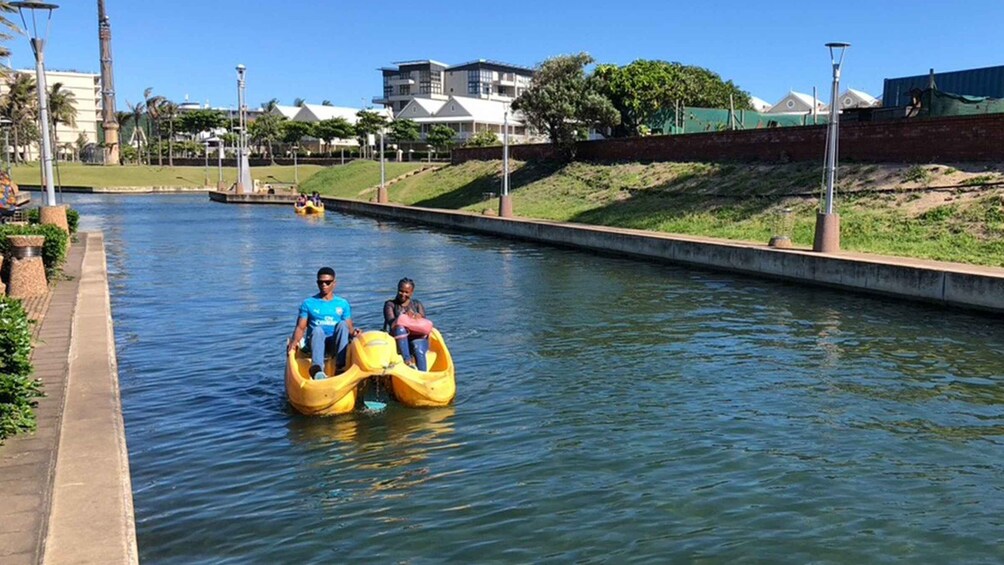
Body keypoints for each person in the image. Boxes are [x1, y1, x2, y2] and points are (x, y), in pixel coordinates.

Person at [287, 267, 361, 379]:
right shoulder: (308, 303)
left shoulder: (342, 303)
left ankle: (340, 367)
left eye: (327, 282)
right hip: (315, 342)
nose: (324, 285)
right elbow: (300, 328)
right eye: (320, 282)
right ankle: (317, 370)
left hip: (334, 344)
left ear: (334, 283)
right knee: (318, 329)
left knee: (342, 324)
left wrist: (356, 334)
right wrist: (294, 342)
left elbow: (349, 328)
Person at [383, 277, 432, 371]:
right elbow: (391, 323)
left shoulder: (417, 304)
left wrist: (416, 317)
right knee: (400, 328)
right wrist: (404, 317)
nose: (403, 294)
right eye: (401, 291)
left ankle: (423, 376)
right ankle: (407, 361)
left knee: (418, 349)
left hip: (417, 337)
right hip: (398, 338)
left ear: (412, 292)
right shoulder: (390, 305)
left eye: (406, 292)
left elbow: (424, 325)